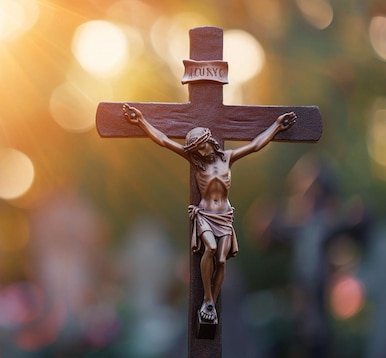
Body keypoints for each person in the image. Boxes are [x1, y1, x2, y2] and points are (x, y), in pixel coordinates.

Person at [122, 103, 297, 323]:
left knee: (222, 261)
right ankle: (207, 298)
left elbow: (255, 145)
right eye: (195, 148)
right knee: (210, 249)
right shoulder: (196, 163)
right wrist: (142, 121)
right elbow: (164, 141)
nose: (199, 151)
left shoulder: (227, 158)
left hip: (224, 216)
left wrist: (277, 127)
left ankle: (211, 303)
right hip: (205, 214)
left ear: (208, 142)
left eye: (200, 146)